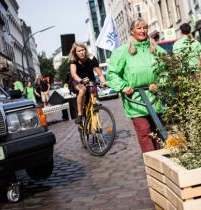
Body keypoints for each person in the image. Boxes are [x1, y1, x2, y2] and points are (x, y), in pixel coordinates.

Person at [107, 17, 166, 153]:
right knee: (145, 132)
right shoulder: (123, 51)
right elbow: (112, 74)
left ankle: (162, 162)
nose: (142, 30)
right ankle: (152, 162)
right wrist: (123, 86)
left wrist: (159, 83)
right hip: (135, 99)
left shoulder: (155, 48)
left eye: (145, 28)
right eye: (139, 28)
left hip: (154, 97)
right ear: (132, 31)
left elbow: (167, 70)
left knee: (159, 131)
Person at [68, 42, 106, 124]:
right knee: (83, 90)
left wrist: (104, 83)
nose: (82, 52)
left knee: (94, 104)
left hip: (91, 81)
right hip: (77, 81)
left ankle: (96, 131)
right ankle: (80, 114)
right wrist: (81, 80)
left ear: (86, 50)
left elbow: (100, 74)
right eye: (79, 51)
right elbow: (73, 74)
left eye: (83, 50)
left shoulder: (92, 59)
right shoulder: (73, 61)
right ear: (75, 53)